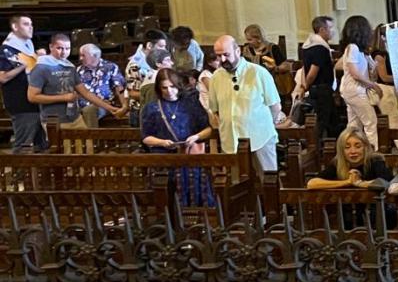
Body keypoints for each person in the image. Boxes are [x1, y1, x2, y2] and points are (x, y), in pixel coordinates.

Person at [139, 67, 215, 206]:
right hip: (164, 158)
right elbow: (145, 136)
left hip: (189, 155)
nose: (169, 91)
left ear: (178, 85)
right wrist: (162, 142)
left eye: (172, 87)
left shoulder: (191, 104)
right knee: (167, 193)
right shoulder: (151, 108)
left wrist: (195, 137)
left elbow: (208, 129)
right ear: (159, 89)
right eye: (165, 88)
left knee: (196, 187)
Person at [205, 34, 282, 172]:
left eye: (226, 54)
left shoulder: (259, 72)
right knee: (236, 188)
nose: (222, 59)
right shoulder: (216, 77)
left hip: (260, 138)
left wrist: (262, 125)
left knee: (269, 182)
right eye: (218, 56)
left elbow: (275, 107)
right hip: (231, 141)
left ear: (238, 51)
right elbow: (215, 111)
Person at [339, 15, 398, 150]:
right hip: (355, 90)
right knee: (370, 123)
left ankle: (348, 151)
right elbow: (354, 73)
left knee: (354, 125)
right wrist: (373, 85)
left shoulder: (360, 50)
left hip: (355, 90)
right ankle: (375, 154)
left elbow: (370, 72)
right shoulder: (352, 48)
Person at [27, 33, 82, 142]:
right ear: (51, 47)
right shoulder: (41, 67)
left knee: (86, 149)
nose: (64, 52)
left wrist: (109, 108)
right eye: (59, 48)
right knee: (63, 155)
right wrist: (63, 97)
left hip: (74, 116)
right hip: (53, 119)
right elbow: (32, 97)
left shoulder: (70, 66)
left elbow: (84, 91)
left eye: (67, 48)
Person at [308, 126, 393, 190]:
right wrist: (347, 182)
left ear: (365, 147)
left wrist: (360, 183)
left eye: (358, 146)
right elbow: (312, 184)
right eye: (347, 147)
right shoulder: (338, 163)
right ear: (341, 150)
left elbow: (385, 182)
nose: (353, 151)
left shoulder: (376, 160)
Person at [1, 15, 37, 152]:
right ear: (15, 27)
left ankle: (36, 173)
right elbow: (3, 77)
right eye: (26, 24)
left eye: (31, 24)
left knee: (39, 144)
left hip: (32, 101)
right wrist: (25, 64)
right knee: (23, 145)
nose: (31, 27)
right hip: (20, 102)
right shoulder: (7, 49)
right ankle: (18, 172)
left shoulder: (27, 45)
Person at [300, 15, 338, 141]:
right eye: (331, 28)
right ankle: (319, 150)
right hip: (322, 89)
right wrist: (305, 86)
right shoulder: (320, 48)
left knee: (332, 121)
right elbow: (312, 73)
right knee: (323, 122)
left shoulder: (308, 45)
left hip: (317, 89)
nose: (333, 31)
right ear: (322, 30)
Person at [75, 43, 129, 127]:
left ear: (95, 55)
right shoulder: (78, 70)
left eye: (83, 55)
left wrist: (124, 106)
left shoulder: (110, 67)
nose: (80, 58)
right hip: (80, 106)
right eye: (80, 55)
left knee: (89, 110)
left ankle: (92, 139)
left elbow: (119, 87)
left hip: (104, 105)